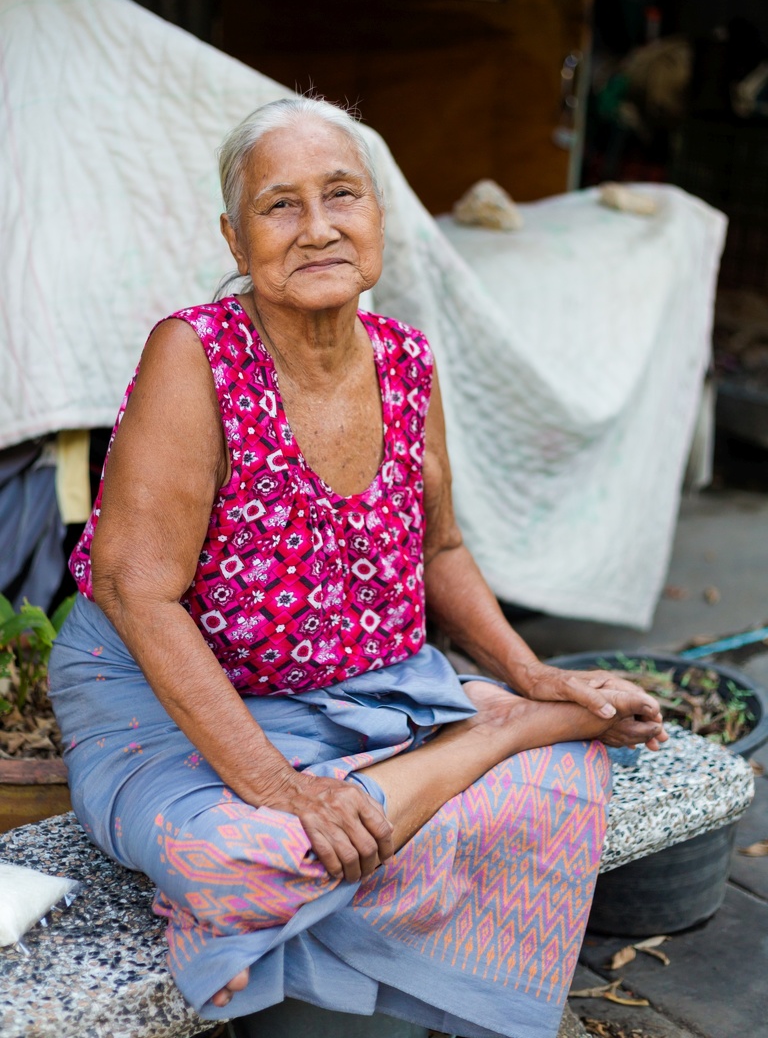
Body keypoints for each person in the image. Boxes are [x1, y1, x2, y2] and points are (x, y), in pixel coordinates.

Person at [49, 96, 666, 1038]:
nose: (319, 227)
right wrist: (279, 785)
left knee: (566, 774)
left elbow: (440, 547)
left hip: (360, 688)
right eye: (280, 205)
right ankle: (494, 736)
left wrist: (535, 671)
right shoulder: (198, 356)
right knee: (241, 860)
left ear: (377, 216)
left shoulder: (406, 359)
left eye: (342, 194)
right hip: (159, 691)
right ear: (234, 234)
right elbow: (139, 592)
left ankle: (507, 721)